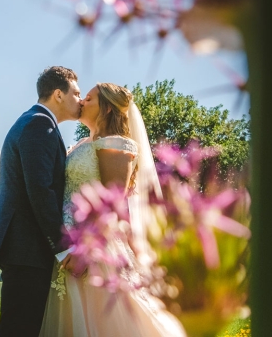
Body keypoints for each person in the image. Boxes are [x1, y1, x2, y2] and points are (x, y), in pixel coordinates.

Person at [39, 83, 186, 336]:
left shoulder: (116, 144)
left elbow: (114, 203)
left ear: (107, 109)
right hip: (70, 245)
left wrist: (85, 249)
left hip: (94, 250)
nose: (82, 102)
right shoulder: (85, 143)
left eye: (89, 98)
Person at [0, 66, 83, 337]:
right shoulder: (39, 124)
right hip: (25, 247)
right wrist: (64, 248)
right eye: (76, 93)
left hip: (25, 247)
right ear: (58, 95)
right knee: (21, 329)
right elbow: (39, 189)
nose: (81, 100)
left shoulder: (38, 122)